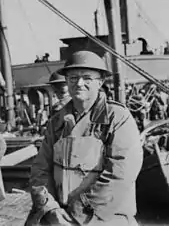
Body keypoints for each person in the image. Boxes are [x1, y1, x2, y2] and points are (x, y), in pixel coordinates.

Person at [25, 51, 143, 226]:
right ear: (66, 81)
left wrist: (77, 214)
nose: (79, 83)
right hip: (58, 216)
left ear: (100, 82)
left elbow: (120, 174)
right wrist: (50, 209)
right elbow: (40, 169)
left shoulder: (117, 118)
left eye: (87, 78)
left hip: (104, 216)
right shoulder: (56, 122)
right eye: (73, 78)